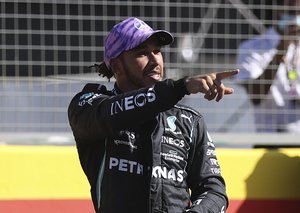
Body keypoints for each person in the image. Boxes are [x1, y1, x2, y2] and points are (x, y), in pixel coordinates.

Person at [68, 17, 239, 213]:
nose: (155, 60)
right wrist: (181, 87)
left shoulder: (190, 121)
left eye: (157, 51)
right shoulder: (90, 106)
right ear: (116, 66)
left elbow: (214, 191)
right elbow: (112, 112)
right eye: (142, 53)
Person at [236, 0, 300, 132]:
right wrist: (280, 51)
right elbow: (256, 97)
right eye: (291, 12)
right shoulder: (252, 48)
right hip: (268, 140)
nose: (296, 17)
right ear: (278, 10)